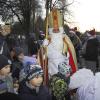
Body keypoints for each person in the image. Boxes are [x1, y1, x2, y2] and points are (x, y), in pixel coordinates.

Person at [38, 9, 77, 82]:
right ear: (51, 30)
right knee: (52, 84)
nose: (56, 32)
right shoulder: (47, 40)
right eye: (54, 30)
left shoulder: (65, 40)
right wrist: (43, 47)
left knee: (63, 84)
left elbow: (70, 54)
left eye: (58, 30)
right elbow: (42, 57)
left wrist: (67, 54)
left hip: (63, 67)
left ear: (61, 30)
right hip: (51, 67)